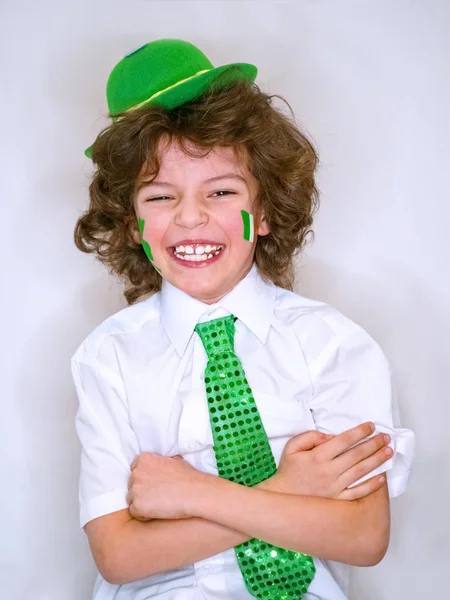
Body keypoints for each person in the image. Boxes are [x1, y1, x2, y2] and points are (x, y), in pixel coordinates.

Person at [72, 39, 415, 600]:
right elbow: (118, 554)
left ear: (264, 212)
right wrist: (289, 490)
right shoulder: (109, 356)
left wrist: (190, 493)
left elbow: (364, 535)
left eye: (222, 191)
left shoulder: (332, 345)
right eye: (159, 197)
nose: (189, 217)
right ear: (132, 223)